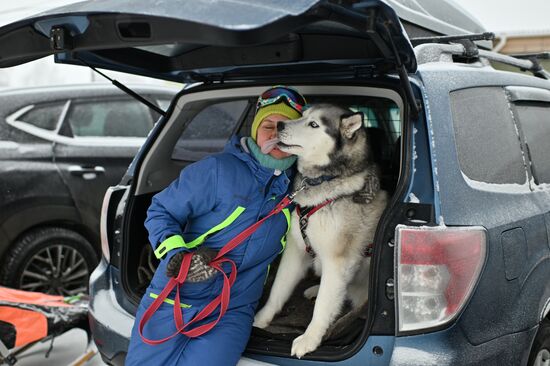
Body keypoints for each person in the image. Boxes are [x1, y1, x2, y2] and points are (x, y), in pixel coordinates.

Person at [126, 86, 307, 366]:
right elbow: (160, 210)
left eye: (284, 127)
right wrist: (176, 253)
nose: (274, 134)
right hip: (175, 294)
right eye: (267, 125)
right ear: (256, 129)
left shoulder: (301, 188)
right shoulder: (217, 170)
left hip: (232, 311)